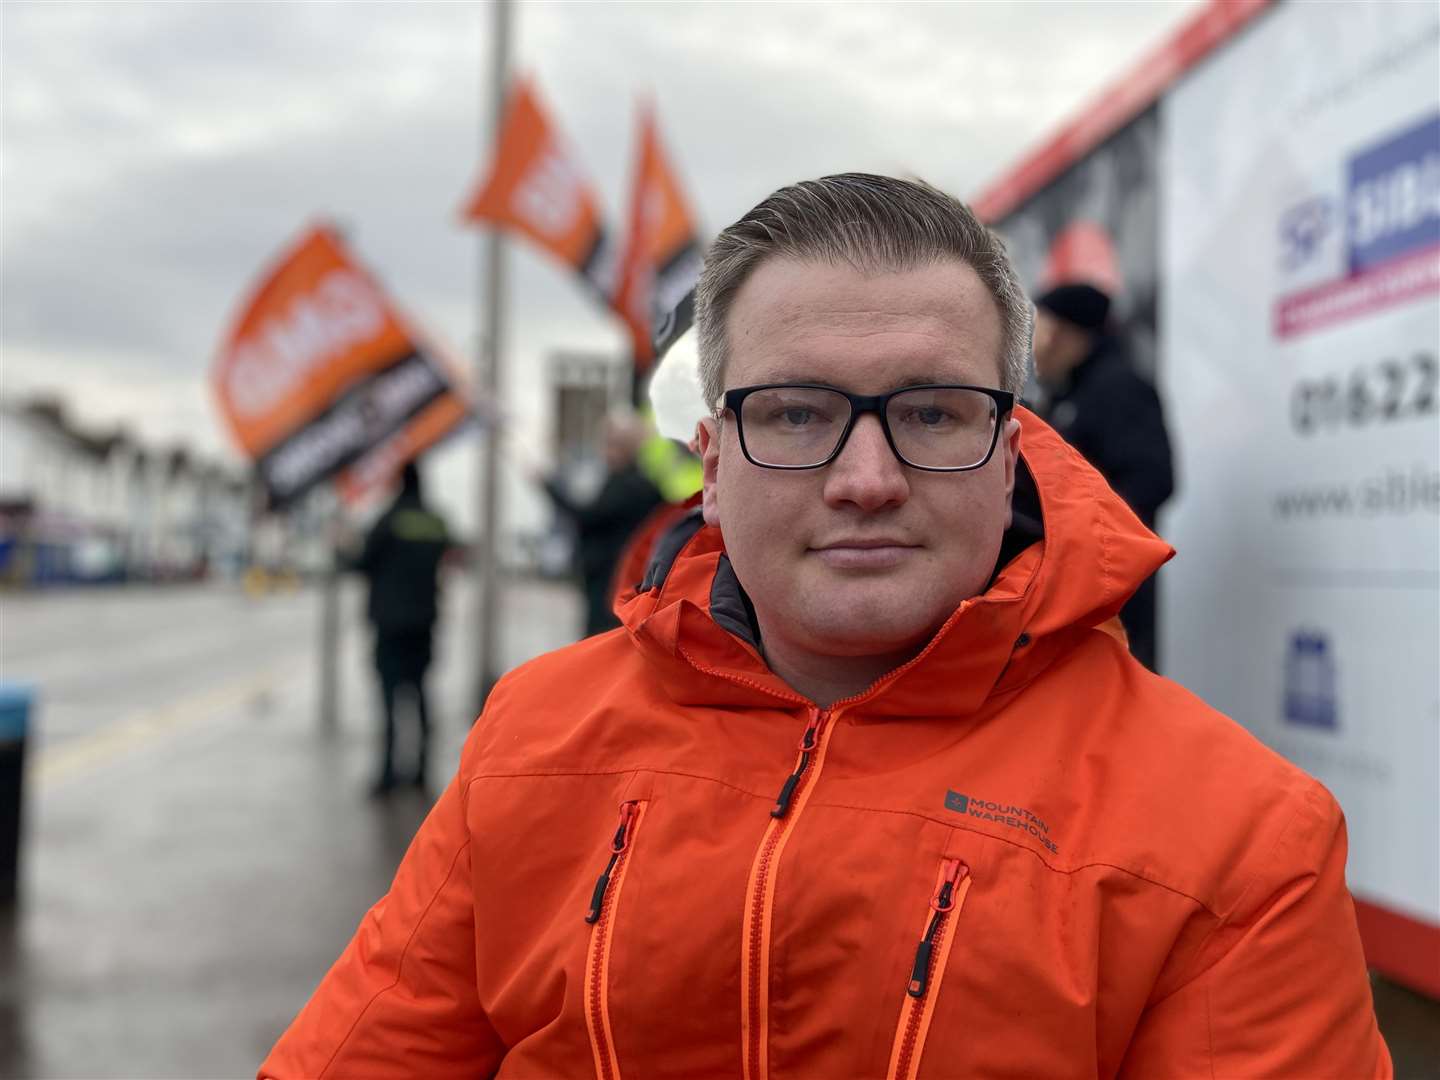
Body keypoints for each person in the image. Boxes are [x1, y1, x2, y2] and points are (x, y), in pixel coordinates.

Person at [263, 175, 1389, 1078]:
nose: (866, 478)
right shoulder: (532, 739)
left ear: (1012, 453)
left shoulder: (1239, 841)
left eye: (932, 413)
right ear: (710, 463)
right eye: (795, 412)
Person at [1032, 282, 1174, 671]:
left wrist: (1082, 534)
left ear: (1066, 334)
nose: (1034, 346)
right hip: (1070, 589)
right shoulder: (1066, 395)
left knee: (1120, 700)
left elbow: (1154, 479)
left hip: (1111, 592)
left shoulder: (1118, 390)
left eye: (1041, 329)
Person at [350, 460, 449, 797]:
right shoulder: (436, 522)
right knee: (421, 693)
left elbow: (362, 562)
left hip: (390, 623)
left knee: (389, 698)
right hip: (424, 621)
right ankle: (421, 770)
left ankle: (390, 773)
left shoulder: (388, 520)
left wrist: (342, 543)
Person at [538, 413, 664, 636]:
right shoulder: (637, 483)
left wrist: (549, 487)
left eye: (611, 443)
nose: (605, 451)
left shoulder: (628, 486)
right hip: (618, 580)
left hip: (612, 581)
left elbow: (587, 517)